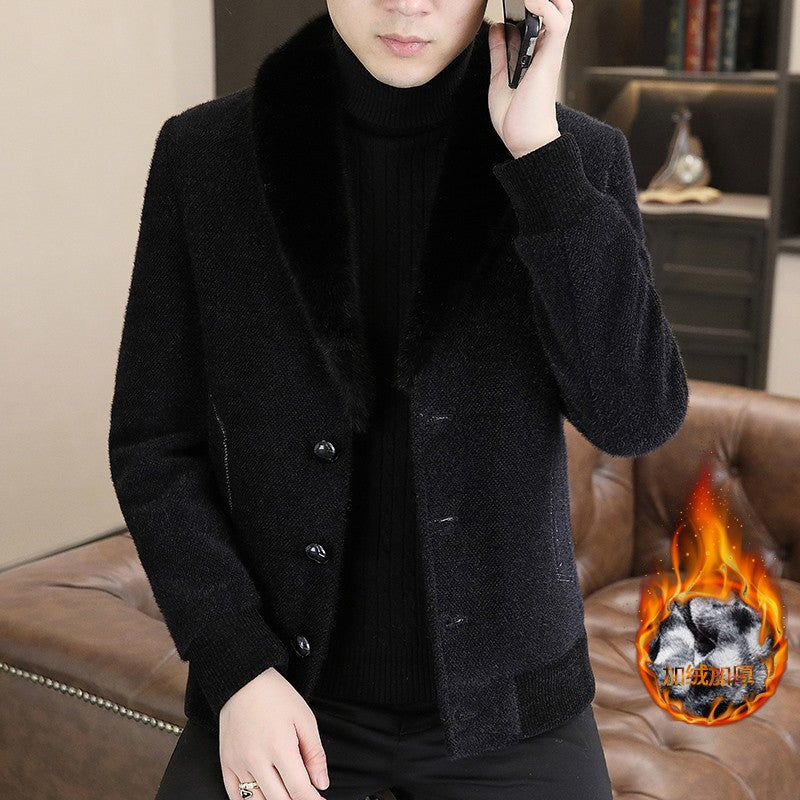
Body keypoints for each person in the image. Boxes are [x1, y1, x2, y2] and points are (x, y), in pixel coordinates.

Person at [108, 1, 688, 798]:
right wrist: (237, 667)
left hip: (514, 710)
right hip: (282, 694)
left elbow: (635, 417)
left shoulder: (575, 159)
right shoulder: (205, 154)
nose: (408, 3)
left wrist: (537, 156)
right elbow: (152, 446)